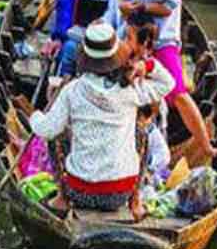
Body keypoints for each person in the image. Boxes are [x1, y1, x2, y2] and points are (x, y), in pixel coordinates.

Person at [27, 20, 174, 217]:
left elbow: (46, 130)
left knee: (57, 134)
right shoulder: (131, 90)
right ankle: (135, 202)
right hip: (121, 193)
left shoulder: (72, 90)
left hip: (79, 192)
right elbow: (168, 83)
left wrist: (34, 117)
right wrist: (147, 66)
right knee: (142, 132)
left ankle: (62, 198)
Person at [108, 0, 213, 164]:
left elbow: (167, 6)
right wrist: (122, 5)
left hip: (160, 36)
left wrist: (140, 6)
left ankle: (206, 146)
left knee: (177, 93)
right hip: (131, 32)